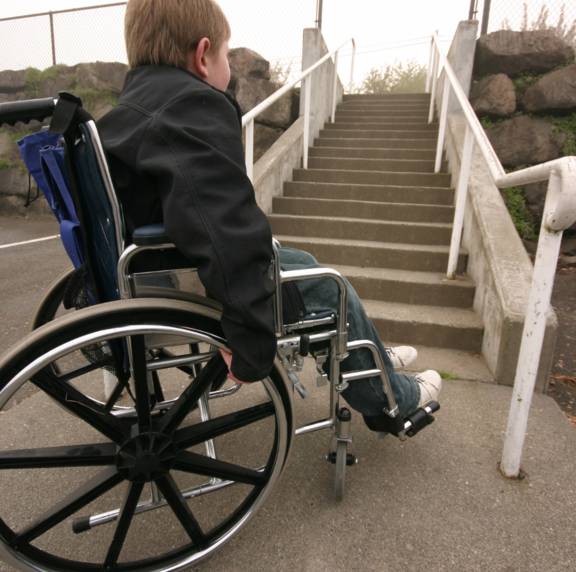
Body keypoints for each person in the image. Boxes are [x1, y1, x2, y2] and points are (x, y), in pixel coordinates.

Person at [97, 0, 441, 429]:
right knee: (328, 286)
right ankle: (393, 398)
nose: (228, 70)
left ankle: (372, 354)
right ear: (203, 55)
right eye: (225, 56)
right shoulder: (190, 106)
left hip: (150, 272)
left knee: (304, 263)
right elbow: (223, 230)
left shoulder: (125, 113)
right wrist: (248, 341)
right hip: (193, 283)